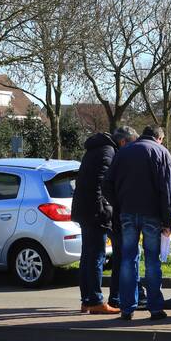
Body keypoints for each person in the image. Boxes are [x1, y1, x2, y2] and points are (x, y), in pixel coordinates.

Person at [103, 125, 171, 320]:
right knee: (152, 260)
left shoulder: (124, 152)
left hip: (127, 212)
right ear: (159, 138)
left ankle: (127, 308)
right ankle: (155, 307)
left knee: (128, 259)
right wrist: (169, 220)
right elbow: (169, 191)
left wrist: (119, 205)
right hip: (152, 214)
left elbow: (107, 184)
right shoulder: (162, 153)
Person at [72, 128, 138, 315]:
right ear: (124, 142)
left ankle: (87, 300)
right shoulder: (108, 152)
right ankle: (95, 300)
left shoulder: (95, 149)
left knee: (87, 256)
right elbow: (101, 185)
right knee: (96, 256)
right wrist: (104, 212)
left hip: (84, 209)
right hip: (95, 212)